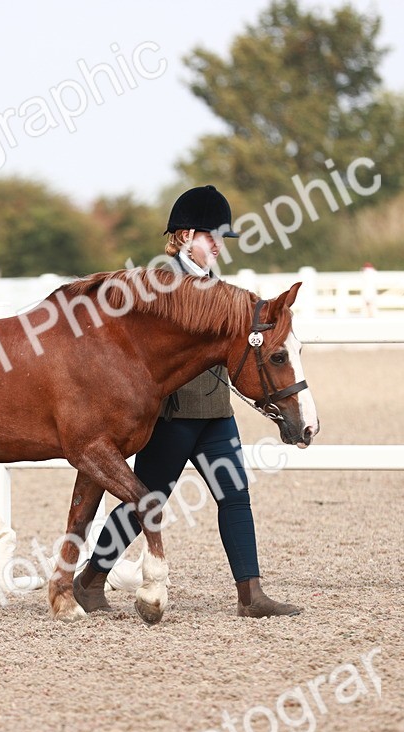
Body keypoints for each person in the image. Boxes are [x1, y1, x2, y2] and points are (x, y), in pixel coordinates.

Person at [72, 185, 301, 618]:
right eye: (211, 236)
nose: (217, 245)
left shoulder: (221, 289)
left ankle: (250, 594)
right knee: (147, 500)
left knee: (235, 496)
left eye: (220, 239)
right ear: (185, 235)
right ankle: (89, 580)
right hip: (173, 413)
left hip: (216, 412)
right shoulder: (156, 286)